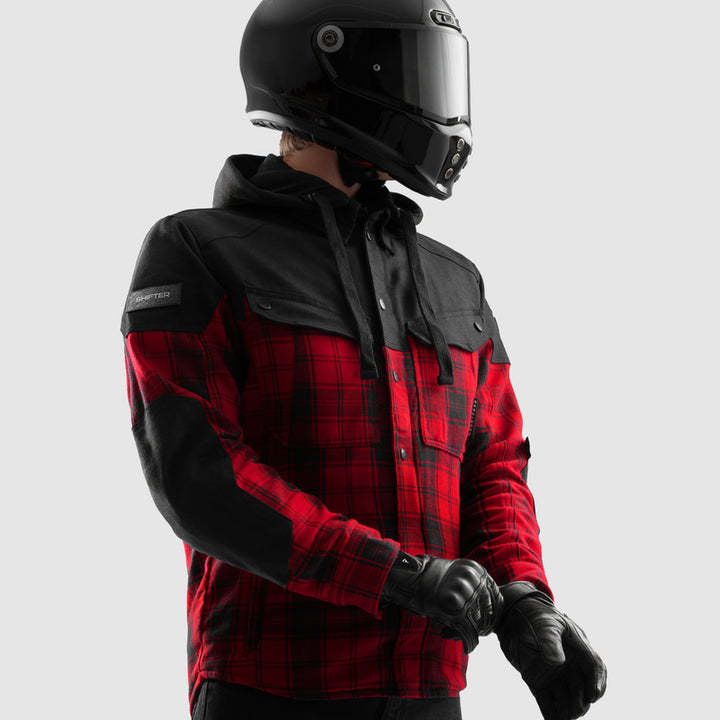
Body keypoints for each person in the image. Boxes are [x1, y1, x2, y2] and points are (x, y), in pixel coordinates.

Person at [121, 1, 607, 718]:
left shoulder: (455, 282)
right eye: (408, 70)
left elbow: (494, 464)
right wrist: (398, 577)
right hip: (272, 690)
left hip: (428, 691)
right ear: (327, 73)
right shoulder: (196, 252)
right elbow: (201, 478)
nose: (434, 100)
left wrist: (523, 597)